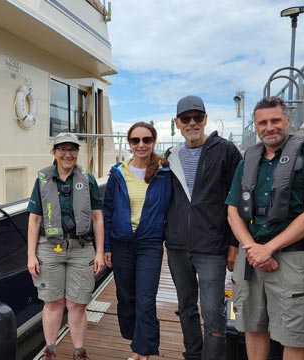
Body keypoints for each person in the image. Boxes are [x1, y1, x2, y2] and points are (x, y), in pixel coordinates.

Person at [225, 96, 304, 360]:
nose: (269, 127)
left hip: (291, 260)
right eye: (262, 122)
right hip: (250, 258)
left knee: (294, 336)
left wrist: (270, 249)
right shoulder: (246, 163)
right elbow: (232, 210)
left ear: (287, 120)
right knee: (251, 326)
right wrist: (253, 249)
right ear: (256, 126)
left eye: (275, 120)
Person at [164, 95, 242, 360]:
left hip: (211, 247)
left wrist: (233, 245)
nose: (192, 123)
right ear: (177, 123)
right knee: (186, 308)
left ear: (206, 119)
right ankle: (192, 355)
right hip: (176, 247)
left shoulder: (226, 150)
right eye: (186, 119)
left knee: (212, 313)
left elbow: (238, 200)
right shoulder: (171, 155)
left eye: (198, 117)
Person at [27, 132, 105, 360]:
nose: (67, 154)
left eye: (72, 149)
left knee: (77, 303)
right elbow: (34, 219)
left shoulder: (87, 179)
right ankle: (50, 350)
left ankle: (79, 352)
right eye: (62, 149)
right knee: (53, 302)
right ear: (54, 152)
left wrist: (99, 252)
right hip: (50, 248)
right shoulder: (42, 179)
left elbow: (97, 218)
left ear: (77, 153)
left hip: (81, 248)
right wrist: (31, 255)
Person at [103, 122, 172, 360]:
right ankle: (138, 341)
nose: (141, 145)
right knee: (127, 297)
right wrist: (107, 247)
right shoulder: (118, 173)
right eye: (135, 141)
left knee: (145, 297)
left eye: (146, 140)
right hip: (121, 243)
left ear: (153, 141)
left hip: (150, 243)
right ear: (129, 144)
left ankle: (142, 351)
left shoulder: (165, 173)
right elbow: (108, 211)